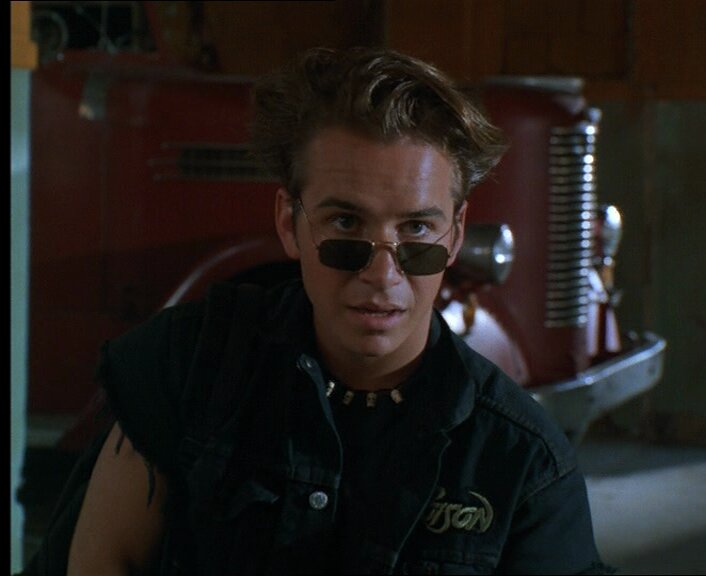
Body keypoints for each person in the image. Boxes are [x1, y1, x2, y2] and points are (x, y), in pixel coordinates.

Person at [37, 47, 614, 575]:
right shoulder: (185, 368)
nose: (382, 275)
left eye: (416, 230)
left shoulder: (522, 460)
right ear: (290, 224)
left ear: (457, 235)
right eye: (345, 224)